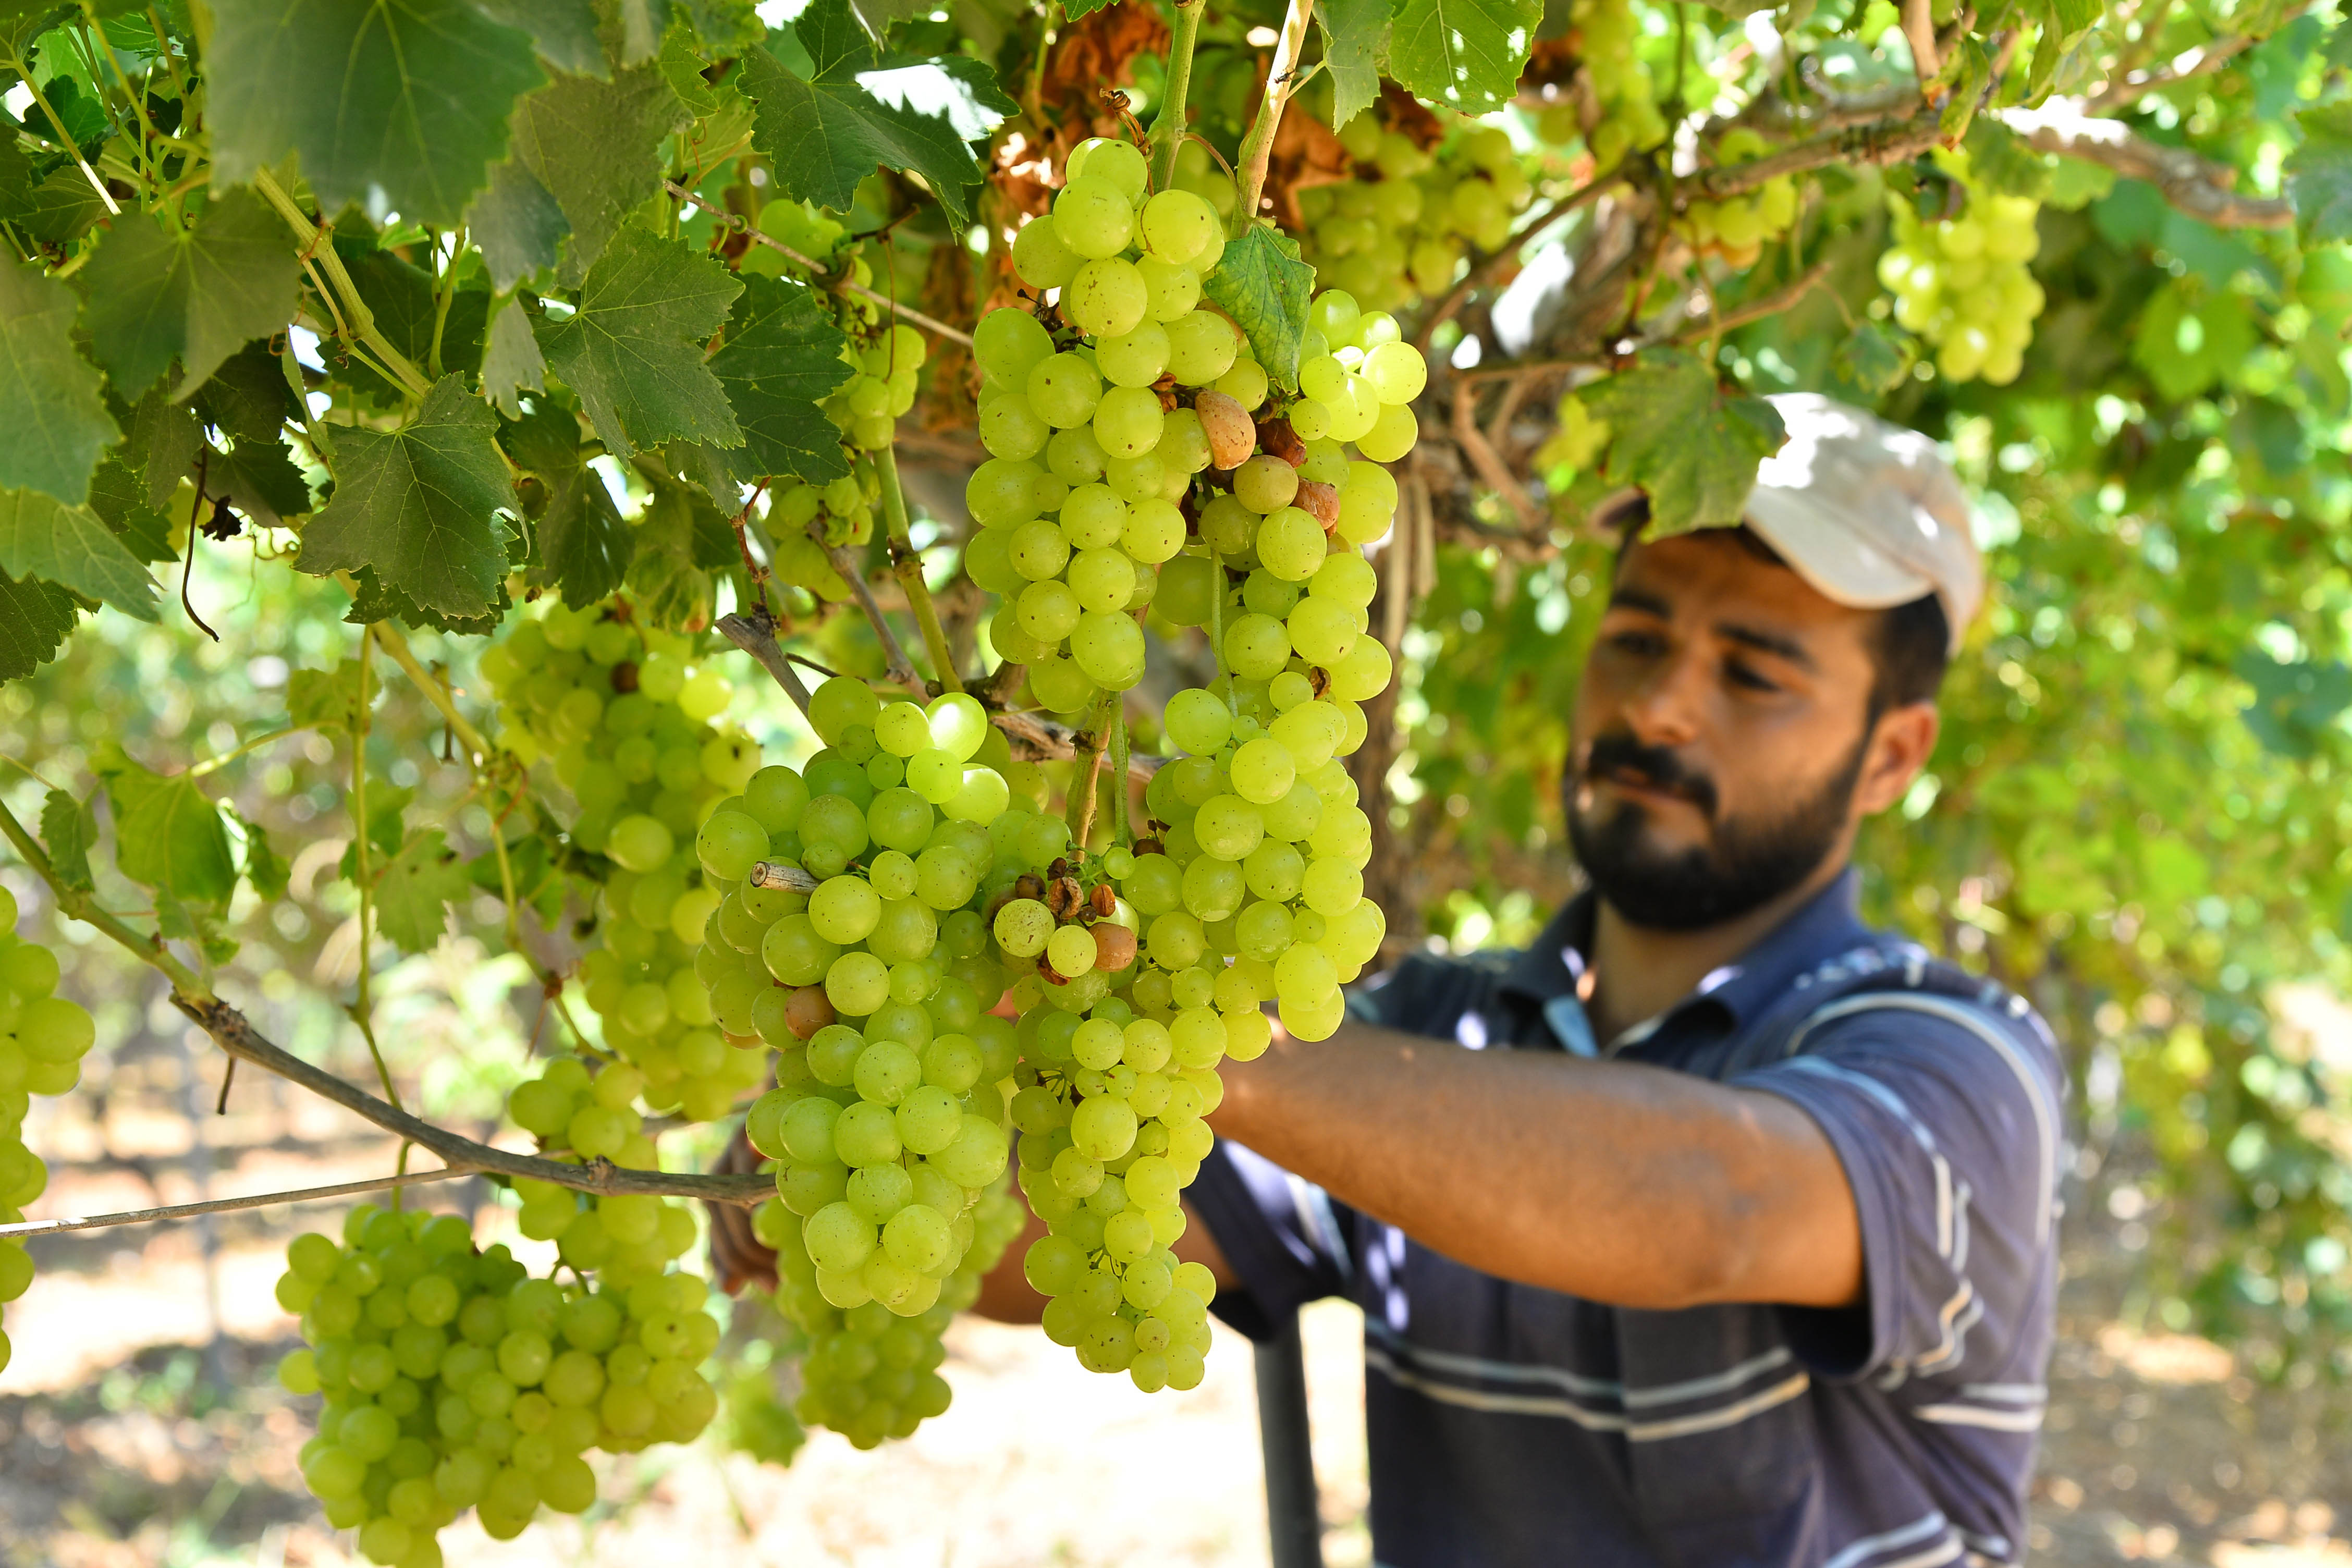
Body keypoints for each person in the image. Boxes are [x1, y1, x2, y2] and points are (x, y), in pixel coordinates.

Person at [977, 394, 2066, 1568]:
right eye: (1637, 639)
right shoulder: (1430, 1031)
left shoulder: (1963, 1059)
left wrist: (1191, 1025)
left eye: (1753, 674)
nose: (1658, 707)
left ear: (1891, 756)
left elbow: (1721, 1203)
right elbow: (1045, 1253)